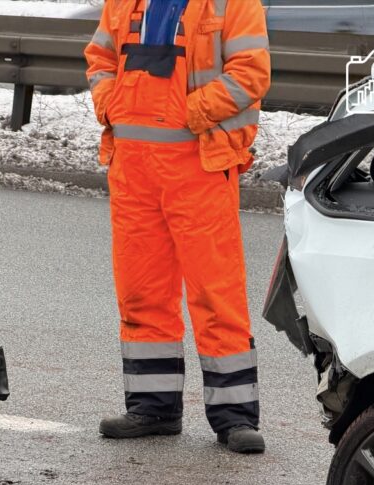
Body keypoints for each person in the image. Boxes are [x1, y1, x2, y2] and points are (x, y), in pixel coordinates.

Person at [85, 0, 271, 454]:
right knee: (141, 289)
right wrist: (113, 104)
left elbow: (251, 72)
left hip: (200, 166)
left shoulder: (235, 4)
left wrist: (191, 111)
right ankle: (153, 407)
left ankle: (234, 418)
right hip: (134, 170)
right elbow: (100, 58)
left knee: (215, 291)